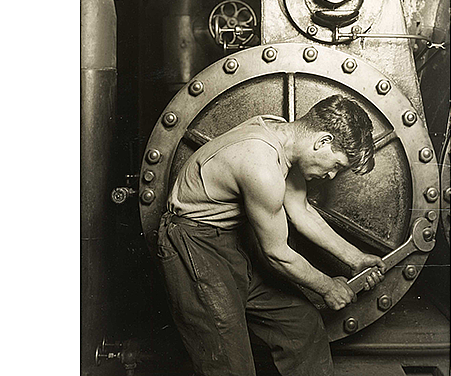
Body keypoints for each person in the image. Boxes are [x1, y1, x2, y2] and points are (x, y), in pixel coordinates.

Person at [156, 94, 386, 376]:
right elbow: (277, 253)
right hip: (194, 245)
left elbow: (301, 211)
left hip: (231, 240)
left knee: (301, 325)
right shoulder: (261, 165)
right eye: (336, 165)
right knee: (230, 363)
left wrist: (356, 258)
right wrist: (328, 287)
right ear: (323, 141)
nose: (331, 176)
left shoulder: (282, 136)